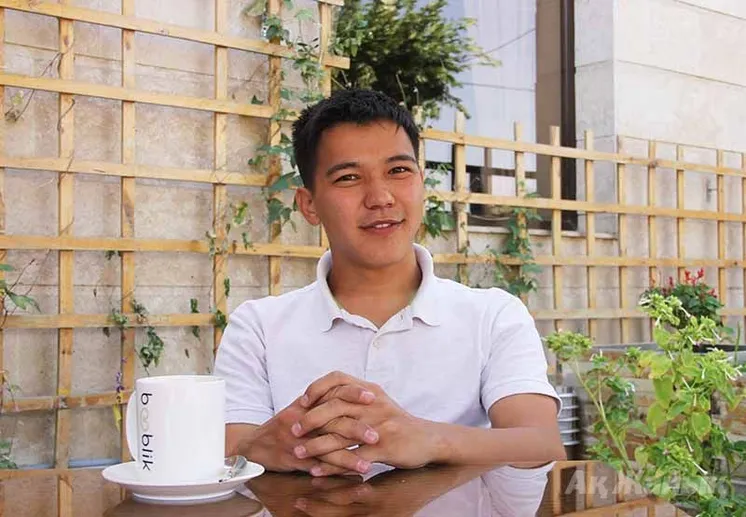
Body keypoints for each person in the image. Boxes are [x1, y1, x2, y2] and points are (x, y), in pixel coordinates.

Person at [213, 88, 565, 478]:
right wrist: (271, 444)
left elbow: (540, 444)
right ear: (309, 205)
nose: (380, 198)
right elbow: (229, 450)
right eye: (348, 177)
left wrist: (429, 439)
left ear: (421, 183)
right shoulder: (259, 327)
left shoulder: (492, 315)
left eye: (398, 171)